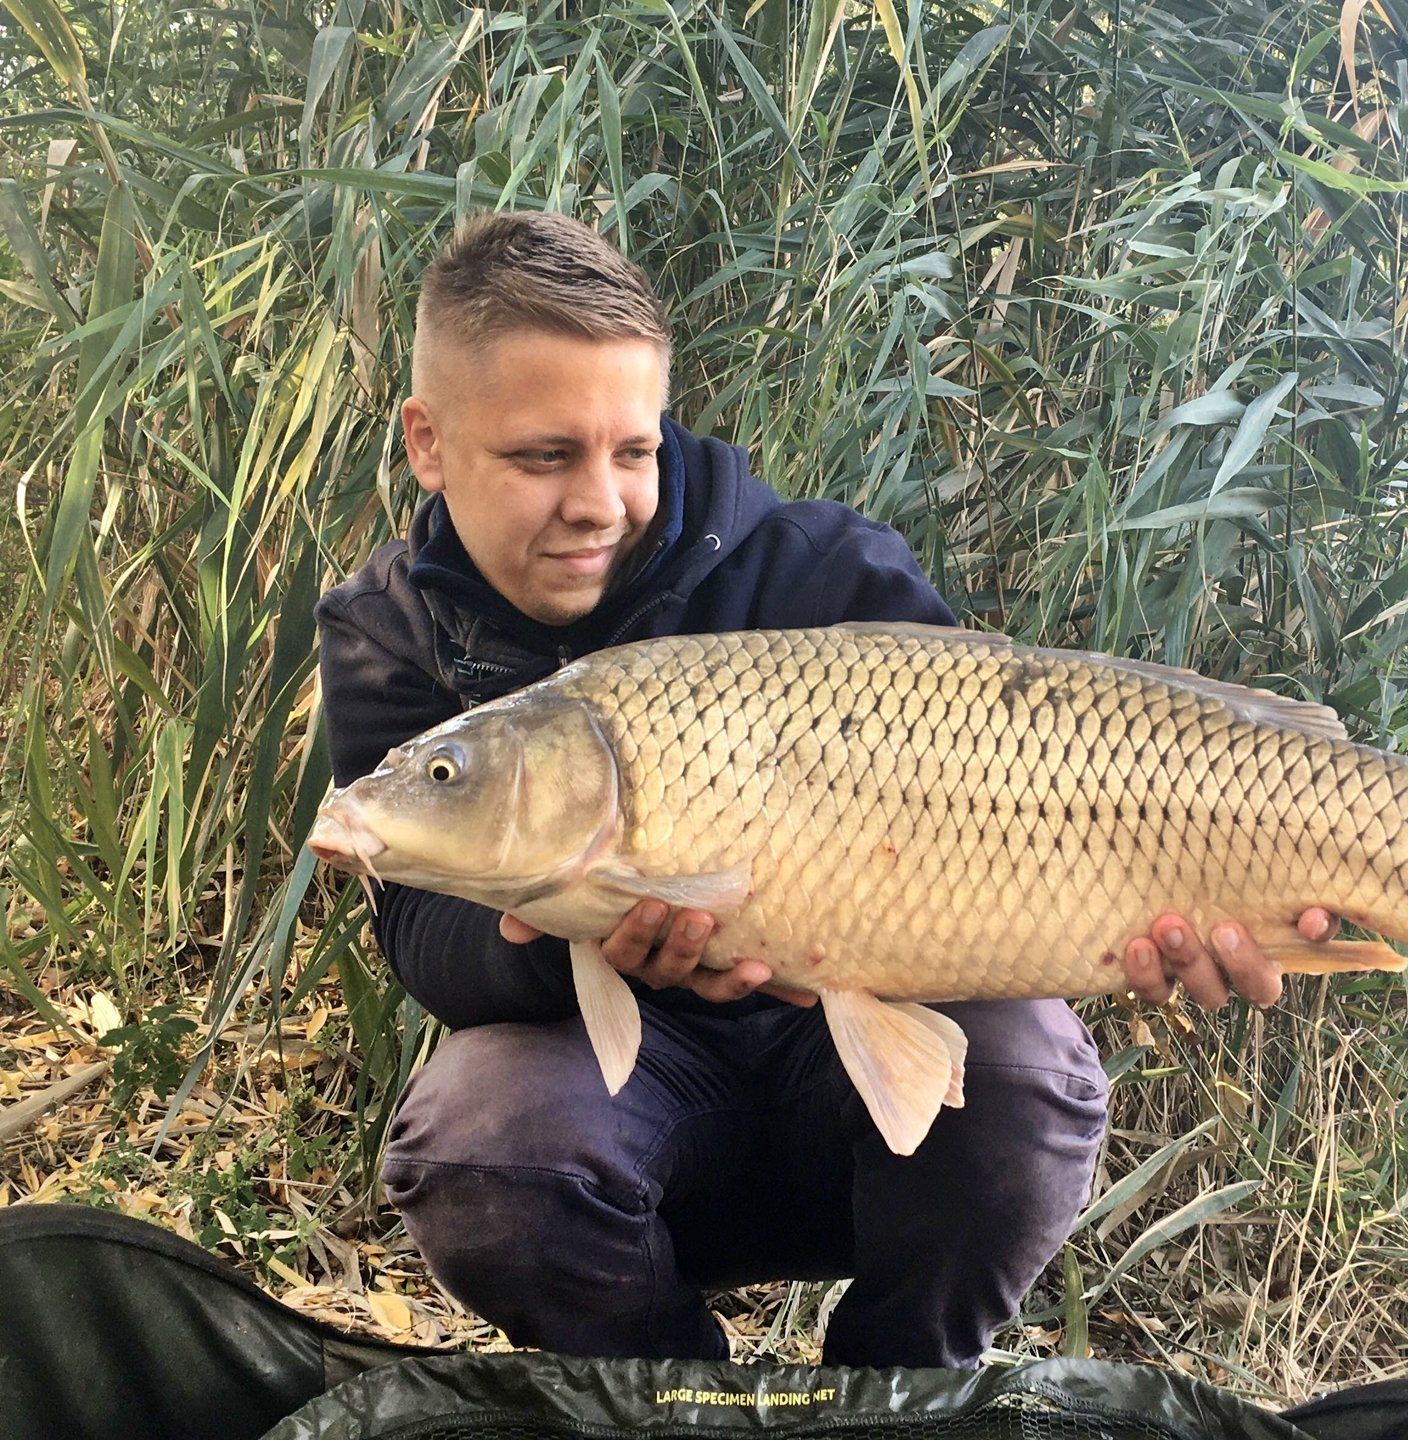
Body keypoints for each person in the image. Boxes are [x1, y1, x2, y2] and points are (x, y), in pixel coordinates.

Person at [314, 209, 1339, 1368]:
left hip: (841, 1102)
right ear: (429, 441)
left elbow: (1031, 813)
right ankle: (671, 1399)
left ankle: (893, 1395)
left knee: (1031, 1072)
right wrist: (564, 939)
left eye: (634, 450)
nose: (598, 500)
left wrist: (1167, 932)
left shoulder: (823, 571)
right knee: (475, 1140)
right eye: (543, 457)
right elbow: (421, 931)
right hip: (627, 1113)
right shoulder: (388, 632)